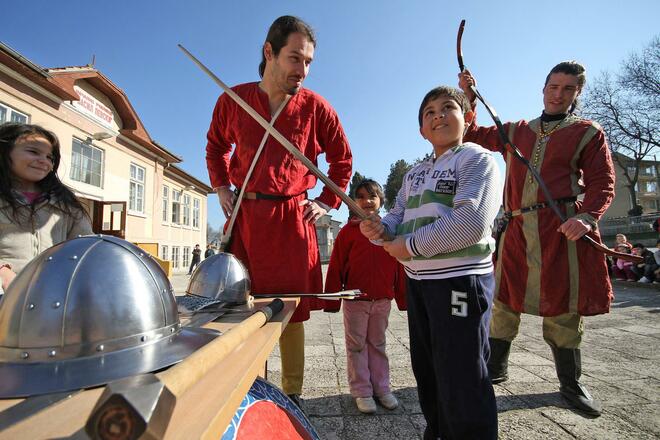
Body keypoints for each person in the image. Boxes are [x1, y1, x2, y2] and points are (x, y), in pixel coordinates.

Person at [205, 16, 352, 407]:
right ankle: (249, 386)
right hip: (247, 220)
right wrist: (221, 186)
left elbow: (342, 161)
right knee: (243, 308)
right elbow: (215, 146)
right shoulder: (232, 100)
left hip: (292, 221)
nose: (302, 70)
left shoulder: (317, 107)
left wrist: (326, 202)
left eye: (308, 62)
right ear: (269, 52)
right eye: (294, 58)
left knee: (290, 309)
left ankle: (292, 393)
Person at [459, 61, 615, 416]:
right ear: (543, 88)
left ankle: (570, 384)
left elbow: (602, 182)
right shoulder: (517, 130)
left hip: (559, 230)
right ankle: (494, 371)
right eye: (553, 87)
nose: (558, 95)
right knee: (503, 301)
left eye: (568, 89)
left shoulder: (588, 132)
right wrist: (468, 98)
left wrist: (587, 217)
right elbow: (471, 135)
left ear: (577, 94)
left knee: (563, 307)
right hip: (516, 230)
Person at [360, 86, 501, 439]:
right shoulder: (414, 174)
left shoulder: (477, 160)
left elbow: (470, 223)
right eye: (429, 112)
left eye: (447, 108)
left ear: (468, 117)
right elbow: (396, 215)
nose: (437, 115)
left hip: (460, 281)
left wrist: (408, 246)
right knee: (428, 369)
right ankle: (437, 432)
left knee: (463, 373)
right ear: (422, 129)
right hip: (419, 283)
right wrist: (379, 228)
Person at [324, 179, 407, 414]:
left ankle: (382, 388)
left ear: (381, 201)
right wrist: (331, 300)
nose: (366, 201)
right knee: (357, 346)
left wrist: (402, 297)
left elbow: (400, 264)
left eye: (372, 196)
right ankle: (361, 391)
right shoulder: (347, 233)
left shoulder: (389, 231)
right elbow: (336, 265)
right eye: (360, 196)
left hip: (382, 300)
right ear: (353, 201)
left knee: (378, 345)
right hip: (355, 301)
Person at [0, 123, 92, 293]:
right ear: (5, 151)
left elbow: (86, 246)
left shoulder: (66, 203)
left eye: (49, 157)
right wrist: (3, 273)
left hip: (51, 297)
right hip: (5, 297)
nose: (44, 161)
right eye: (33, 152)